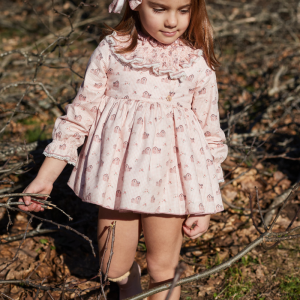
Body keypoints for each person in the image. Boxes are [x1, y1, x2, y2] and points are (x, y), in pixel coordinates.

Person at [18, 0, 228, 299]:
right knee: (112, 266)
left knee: (163, 267)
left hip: (170, 182)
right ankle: (129, 286)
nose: (172, 21)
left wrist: (205, 202)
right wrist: (46, 177)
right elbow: (80, 115)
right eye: (159, 9)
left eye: (183, 10)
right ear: (136, 6)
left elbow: (210, 135)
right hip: (118, 181)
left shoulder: (195, 62)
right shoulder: (113, 50)